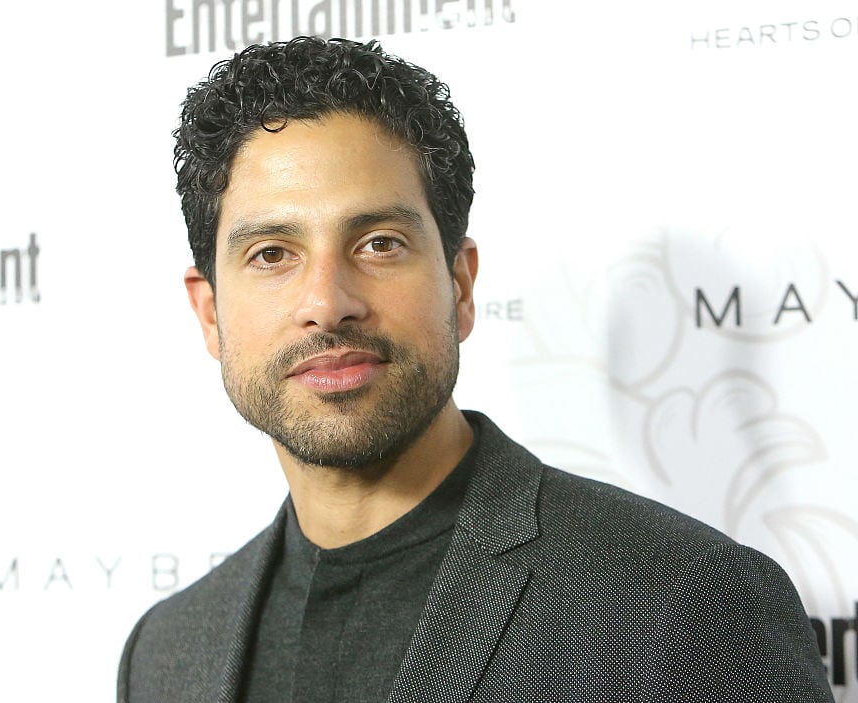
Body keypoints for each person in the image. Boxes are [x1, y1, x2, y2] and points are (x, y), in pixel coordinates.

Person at [118, 37, 831, 702]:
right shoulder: (166, 652)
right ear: (209, 312)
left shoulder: (683, 604)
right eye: (272, 253)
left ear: (460, 285)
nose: (327, 304)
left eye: (379, 242)